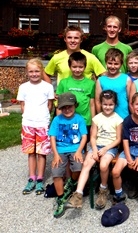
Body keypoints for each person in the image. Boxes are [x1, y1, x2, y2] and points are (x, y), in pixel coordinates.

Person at [66, 90, 122, 210]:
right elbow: (92, 137)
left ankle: (103, 189)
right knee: (86, 164)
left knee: (103, 165)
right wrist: (95, 149)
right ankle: (78, 194)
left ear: (115, 105)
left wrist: (106, 149)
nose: (107, 107)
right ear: (101, 104)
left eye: (110, 104)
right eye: (105, 104)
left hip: (110, 148)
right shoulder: (96, 118)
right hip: (96, 146)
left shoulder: (118, 119)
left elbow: (118, 139)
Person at [112, 92, 138, 218]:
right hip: (129, 150)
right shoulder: (128, 120)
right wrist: (129, 159)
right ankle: (119, 195)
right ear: (131, 105)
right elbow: (125, 140)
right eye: (137, 104)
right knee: (115, 172)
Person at [17, 58, 54, 195]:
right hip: (28, 123)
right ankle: (31, 177)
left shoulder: (47, 87)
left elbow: (49, 105)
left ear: (41, 71)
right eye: (31, 71)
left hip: (42, 123)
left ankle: (40, 178)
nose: (34, 74)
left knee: (41, 152)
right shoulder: (23, 87)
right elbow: (22, 105)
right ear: (27, 72)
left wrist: (44, 117)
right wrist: (27, 117)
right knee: (30, 152)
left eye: (37, 71)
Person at [49, 92, 87, 218]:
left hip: (75, 148)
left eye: (69, 106)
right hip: (60, 149)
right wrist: (55, 154)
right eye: (64, 107)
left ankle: (71, 181)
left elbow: (84, 137)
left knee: (78, 166)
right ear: (60, 108)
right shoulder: (57, 120)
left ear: (75, 106)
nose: (67, 109)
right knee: (56, 172)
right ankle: (61, 198)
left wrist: (79, 151)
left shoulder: (79, 119)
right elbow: (53, 138)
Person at [56, 52, 96, 140]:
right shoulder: (64, 83)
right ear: (70, 67)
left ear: (84, 67)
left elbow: (92, 104)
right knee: (68, 142)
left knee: (83, 143)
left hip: (85, 120)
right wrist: (58, 120)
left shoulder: (91, 84)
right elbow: (59, 104)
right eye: (74, 67)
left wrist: (93, 122)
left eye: (80, 67)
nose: (77, 70)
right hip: (66, 119)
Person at [95, 48, 131, 119]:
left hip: (123, 117)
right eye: (110, 63)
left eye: (116, 64)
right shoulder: (101, 80)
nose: (112, 66)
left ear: (121, 64)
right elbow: (98, 101)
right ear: (106, 63)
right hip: (106, 118)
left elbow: (130, 100)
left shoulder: (126, 79)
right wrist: (101, 117)